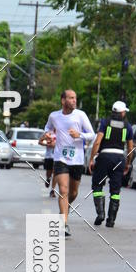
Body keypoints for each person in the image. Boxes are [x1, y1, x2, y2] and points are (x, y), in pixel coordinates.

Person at [41, 89, 95, 238]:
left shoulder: (81, 115)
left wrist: (80, 135)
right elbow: (48, 129)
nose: (74, 101)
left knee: (73, 193)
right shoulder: (54, 116)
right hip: (60, 158)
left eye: (75, 98)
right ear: (63, 100)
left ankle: (63, 211)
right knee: (63, 190)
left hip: (77, 159)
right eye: (71, 98)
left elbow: (92, 134)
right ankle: (64, 223)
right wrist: (48, 135)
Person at [88, 100, 133, 228]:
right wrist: (127, 163)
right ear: (122, 112)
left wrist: (92, 159)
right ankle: (111, 220)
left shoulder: (104, 122)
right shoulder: (128, 126)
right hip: (119, 158)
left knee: (97, 186)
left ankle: (100, 214)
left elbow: (97, 142)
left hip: (104, 157)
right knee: (115, 190)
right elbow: (130, 149)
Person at [39, 128, 56, 197]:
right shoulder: (48, 133)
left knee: (55, 173)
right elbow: (40, 141)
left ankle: (53, 190)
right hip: (49, 156)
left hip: (58, 157)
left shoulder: (62, 132)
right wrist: (47, 145)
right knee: (49, 172)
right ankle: (48, 179)